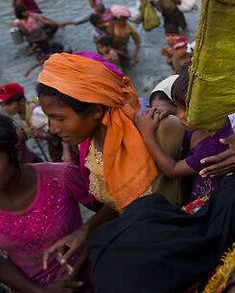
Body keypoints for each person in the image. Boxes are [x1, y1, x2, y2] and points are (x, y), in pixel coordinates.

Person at [35, 52, 186, 270]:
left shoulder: (160, 130)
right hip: (140, 247)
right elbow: (119, 198)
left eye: (60, 118)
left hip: (175, 247)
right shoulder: (88, 144)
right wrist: (84, 231)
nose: (53, 129)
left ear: (95, 110)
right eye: (49, 117)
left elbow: (210, 157)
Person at [0, 114, 92, 292]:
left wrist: (85, 231)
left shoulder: (61, 176)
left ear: (17, 151)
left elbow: (112, 209)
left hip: (88, 279)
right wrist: (38, 291)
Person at [137, 67, 235, 202]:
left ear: (210, 106)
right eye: (176, 108)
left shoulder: (215, 144)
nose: (179, 115)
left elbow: (172, 170)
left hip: (206, 203)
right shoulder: (202, 124)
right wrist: (167, 112)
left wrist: (148, 135)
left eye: (185, 109)